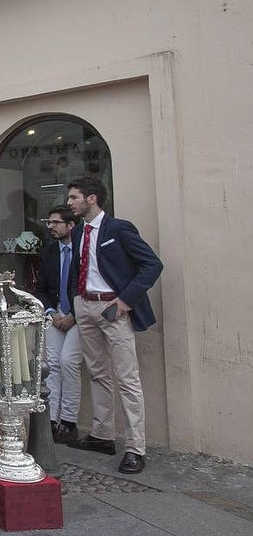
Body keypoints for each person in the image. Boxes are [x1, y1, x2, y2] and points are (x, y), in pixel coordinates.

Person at [65, 175, 163, 475]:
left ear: (91, 198)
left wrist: (124, 301)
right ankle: (102, 435)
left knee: (127, 378)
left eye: (74, 198)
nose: (69, 203)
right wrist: (76, 302)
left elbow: (152, 264)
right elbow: (79, 268)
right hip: (85, 305)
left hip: (113, 307)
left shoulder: (118, 228)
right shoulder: (80, 231)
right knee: (97, 372)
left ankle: (135, 448)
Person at [35, 205, 82, 444]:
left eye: (55, 222)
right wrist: (52, 313)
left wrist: (73, 315)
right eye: (49, 222)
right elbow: (41, 287)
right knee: (51, 364)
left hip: (79, 316)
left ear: (70, 225)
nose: (50, 226)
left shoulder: (82, 250)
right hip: (54, 314)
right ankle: (52, 419)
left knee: (68, 362)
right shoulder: (49, 252)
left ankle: (69, 421)